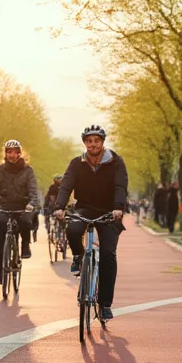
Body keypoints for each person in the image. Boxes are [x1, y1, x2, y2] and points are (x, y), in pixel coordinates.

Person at [53, 125, 128, 322]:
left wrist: (118, 207)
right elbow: (66, 185)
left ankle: (105, 304)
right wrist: (60, 206)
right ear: (85, 143)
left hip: (110, 211)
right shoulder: (76, 163)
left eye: (96, 141)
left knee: (108, 255)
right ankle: (78, 256)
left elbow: (120, 186)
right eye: (89, 141)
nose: (92, 144)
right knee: (73, 229)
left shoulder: (116, 162)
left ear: (102, 142)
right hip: (84, 207)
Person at [0, 139, 40, 284]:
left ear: (20, 153)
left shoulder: (28, 171)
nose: (12, 155)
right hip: (4, 206)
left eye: (15, 152)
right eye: (9, 152)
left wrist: (32, 203)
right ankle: (0, 270)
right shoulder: (0, 170)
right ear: (5, 154)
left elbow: (33, 190)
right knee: (0, 231)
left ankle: (25, 245)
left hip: (22, 206)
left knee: (25, 221)